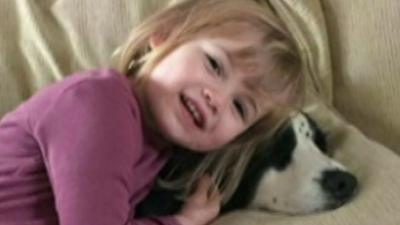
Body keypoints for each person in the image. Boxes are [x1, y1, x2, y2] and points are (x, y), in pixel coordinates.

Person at [0, 0, 303, 224]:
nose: (218, 100)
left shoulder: (157, 157)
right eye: (214, 65)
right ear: (163, 36)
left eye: (240, 106)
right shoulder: (101, 104)